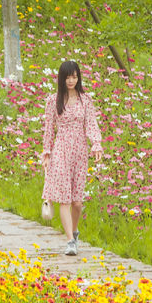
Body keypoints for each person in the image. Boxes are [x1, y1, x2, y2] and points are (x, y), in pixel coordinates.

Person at [41, 60, 103, 256]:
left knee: (77, 201)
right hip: (61, 149)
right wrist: (47, 153)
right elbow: (49, 128)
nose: (71, 80)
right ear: (62, 78)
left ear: (78, 78)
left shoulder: (86, 100)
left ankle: (75, 232)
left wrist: (96, 143)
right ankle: (69, 241)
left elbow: (91, 124)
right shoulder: (53, 100)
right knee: (64, 199)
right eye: (67, 77)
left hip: (79, 151)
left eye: (74, 77)